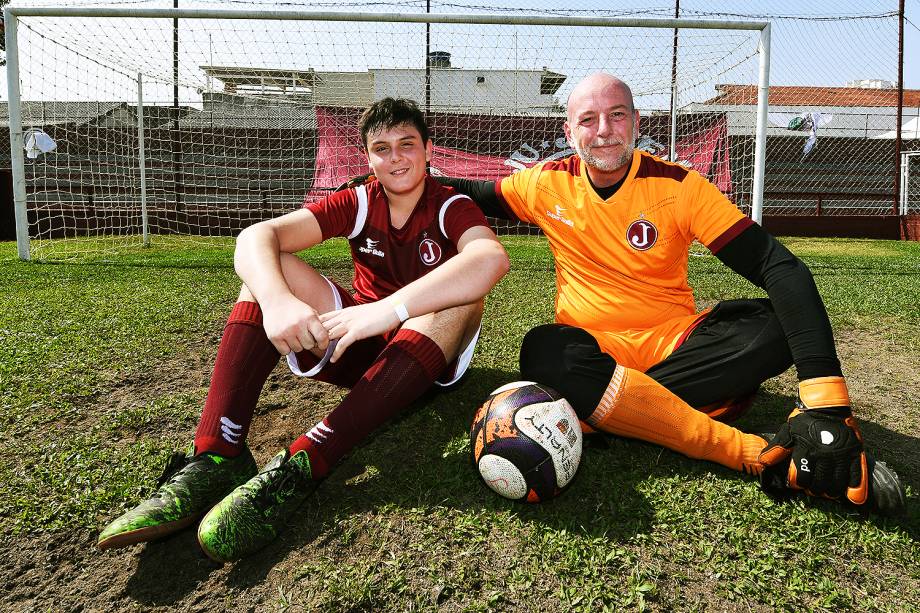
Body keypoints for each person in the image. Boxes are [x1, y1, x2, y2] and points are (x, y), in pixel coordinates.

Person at [436, 72, 904, 514]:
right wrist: (395, 182)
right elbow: (470, 192)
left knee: (778, 323)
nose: (604, 131)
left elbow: (777, 267)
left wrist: (827, 401)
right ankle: (750, 451)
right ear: (568, 130)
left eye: (617, 115)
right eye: (588, 119)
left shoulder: (680, 186)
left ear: (637, 123)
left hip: (673, 345)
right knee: (544, 347)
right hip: (593, 352)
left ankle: (609, 414)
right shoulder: (545, 183)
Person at [96, 98, 510, 562]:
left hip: (428, 360)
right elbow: (256, 237)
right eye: (382, 148)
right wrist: (275, 303)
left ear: (428, 149)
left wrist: (393, 309)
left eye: (407, 145)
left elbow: (490, 259)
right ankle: (216, 455)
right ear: (368, 158)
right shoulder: (360, 198)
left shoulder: (451, 204)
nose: (395, 158)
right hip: (362, 346)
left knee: (462, 299)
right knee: (267, 273)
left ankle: (308, 459)